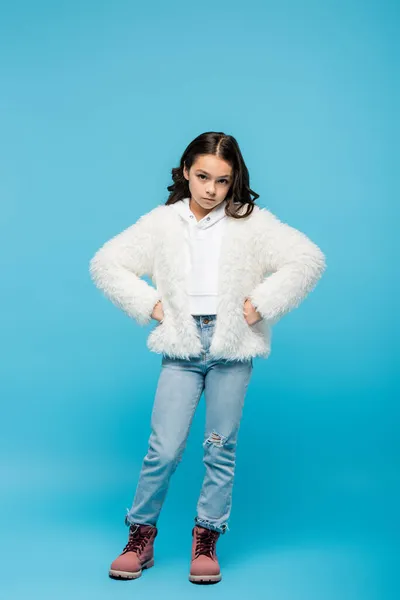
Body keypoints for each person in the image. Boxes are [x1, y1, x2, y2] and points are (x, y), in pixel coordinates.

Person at [89, 131, 326, 584]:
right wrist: (153, 306)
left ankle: (207, 537)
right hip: (182, 345)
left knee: (220, 447)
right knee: (164, 448)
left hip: (231, 345)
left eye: (222, 180)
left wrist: (259, 304)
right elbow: (107, 263)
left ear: (233, 181)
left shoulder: (251, 222)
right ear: (185, 172)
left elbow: (307, 258)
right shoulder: (162, 222)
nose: (211, 189)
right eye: (202, 176)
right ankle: (140, 535)